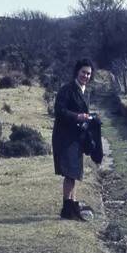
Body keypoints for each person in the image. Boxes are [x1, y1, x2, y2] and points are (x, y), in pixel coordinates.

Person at [52, 58, 93, 220]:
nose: (86, 75)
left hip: (76, 137)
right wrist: (78, 117)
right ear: (77, 71)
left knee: (74, 172)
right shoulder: (67, 90)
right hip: (65, 136)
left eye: (89, 73)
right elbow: (59, 111)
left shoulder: (84, 90)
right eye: (83, 72)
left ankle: (73, 204)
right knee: (70, 173)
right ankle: (67, 208)